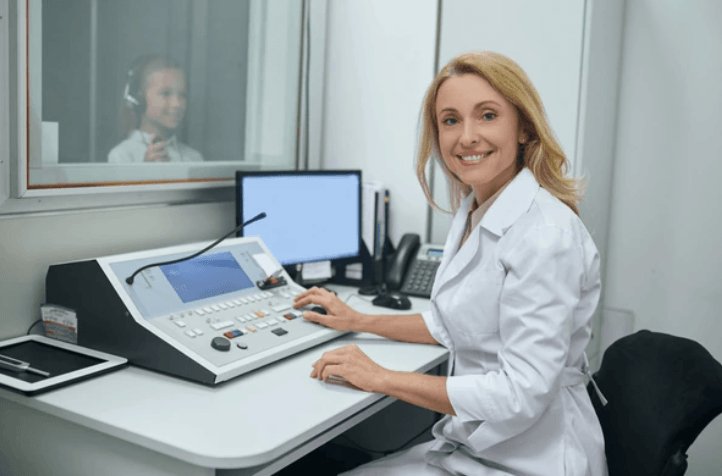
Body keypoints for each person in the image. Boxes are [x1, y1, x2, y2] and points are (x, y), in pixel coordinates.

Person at [293, 51, 607, 475]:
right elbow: (450, 324)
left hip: (532, 458)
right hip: (479, 445)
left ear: (524, 131)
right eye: (451, 120)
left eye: (488, 115)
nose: (467, 137)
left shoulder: (546, 235)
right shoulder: (475, 210)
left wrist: (380, 377)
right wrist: (358, 320)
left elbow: (521, 393)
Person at [108, 54, 203, 163]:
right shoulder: (122, 155)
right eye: (166, 94)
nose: (177, 104)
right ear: (140, 98)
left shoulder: (194, 158)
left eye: (182, 95)